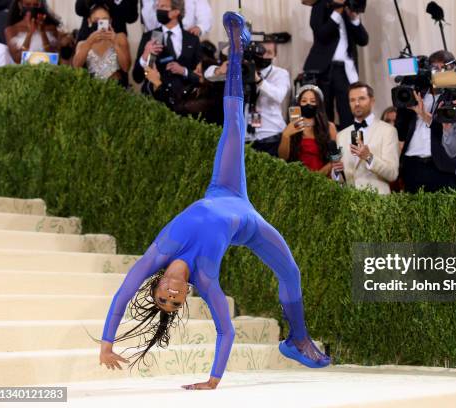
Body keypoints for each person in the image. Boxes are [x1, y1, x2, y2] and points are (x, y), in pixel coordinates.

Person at [99, 11, 330, 391]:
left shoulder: (156, 256)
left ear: (157, 287)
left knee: (234, 121)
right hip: (250, 225)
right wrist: (212, 381)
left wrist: (107, 345)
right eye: (177, 305)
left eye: (164, 300)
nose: (172, 298)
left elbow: (123, 295)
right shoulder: (205, 280)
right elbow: (225, 331)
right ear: (185, 295)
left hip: (224, 189)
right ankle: (299, 339)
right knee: (291, 272)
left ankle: (236, 50)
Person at [205, 40, 291, 156]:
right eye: (261, 52)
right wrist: (219, 70)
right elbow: (208, 75)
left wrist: (258, 79)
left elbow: (278, 96)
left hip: (271, 136)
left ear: (274, 55)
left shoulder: (280, 73)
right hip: (244, 139)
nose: (263, 56)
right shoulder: (242, 70)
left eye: (268, 52)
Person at [396, 50, 456, 193]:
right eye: (433, 69)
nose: (437, 73)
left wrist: (424, 114)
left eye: (442, 69)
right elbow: (400, 126)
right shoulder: (419, 91)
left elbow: (448, 125)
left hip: (440, 166)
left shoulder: (455, 94)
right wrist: (407, 82)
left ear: (452, 70)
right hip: (412, 163)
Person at [303, 0, 369, 130]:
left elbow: (363, 40)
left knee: (348, 111)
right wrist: (337, 12)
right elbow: (321, 34)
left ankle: (350, 145)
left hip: (345, 70)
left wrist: (354, 18)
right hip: (324, 69)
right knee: (324, 111)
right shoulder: (320, 6)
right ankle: (327, 146)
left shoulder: (348, 10)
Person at [331, 82, 399, 194]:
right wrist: (337, 172)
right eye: (352, 100)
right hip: (349, 203)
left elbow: (392, 174)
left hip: (378, 203)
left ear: (372, 101)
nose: (356, 103)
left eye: (361, 98)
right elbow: (341, 179)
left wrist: (368, 157)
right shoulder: (341, 135)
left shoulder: (388, 131)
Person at [133, 0, 201, 113]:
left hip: (183, 105)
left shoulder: (192, 39)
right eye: (158, 6)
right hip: (153, 104)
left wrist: (183, 71)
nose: (158, 10)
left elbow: (200, 77)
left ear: (176, 12)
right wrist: (145, 56)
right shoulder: (148, 37)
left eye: (163, 6)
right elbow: (137, 77)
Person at [278, 85, 338, 175]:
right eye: (304, 101)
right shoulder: (291, 126)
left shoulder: (329, 127)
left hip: (324, 181)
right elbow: (283, 157)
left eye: (313, 101)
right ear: (298, 104)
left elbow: (335, 158)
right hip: (297, 180)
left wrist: (316, 177)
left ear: (319, 104)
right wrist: (285, 135)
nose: (308, 104)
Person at [72, 4, 131, 85]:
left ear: (110, 20)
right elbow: (76, 67)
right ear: (89, 21)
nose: (100, 23)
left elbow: (126, 67)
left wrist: (115, 44)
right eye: (96, 20)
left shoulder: (120, 37)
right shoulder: (82, 43)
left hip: (116, 90)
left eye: (104, 19)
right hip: (93, 90)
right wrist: (89, 42)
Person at [142, 0, 212, 37]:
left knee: (188, 60)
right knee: (152, 58)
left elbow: (204, 11)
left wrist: (200, 27)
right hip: (158, 32)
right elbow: (148, 13)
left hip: (188, 33)